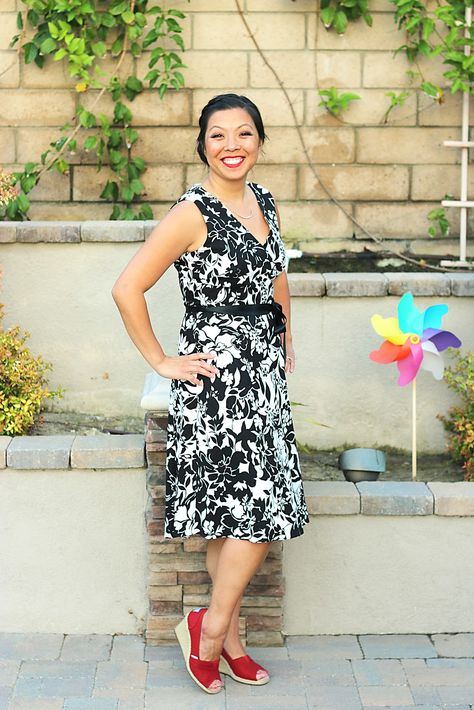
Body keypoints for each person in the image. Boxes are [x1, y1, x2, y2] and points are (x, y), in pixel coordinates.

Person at [111, 93, 309, 694]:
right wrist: (161, 359)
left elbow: (275, 275)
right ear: (202, 145)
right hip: (218, 381)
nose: (232, 145)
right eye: (218, 135)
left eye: (244, 134)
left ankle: (228, 639)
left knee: (234, 517)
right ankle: (212, 625)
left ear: (259, 142)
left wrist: (286, 335)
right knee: (252, 513)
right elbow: (127, 288)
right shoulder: (191, 212)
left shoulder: (265, 201)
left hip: (264, 375)